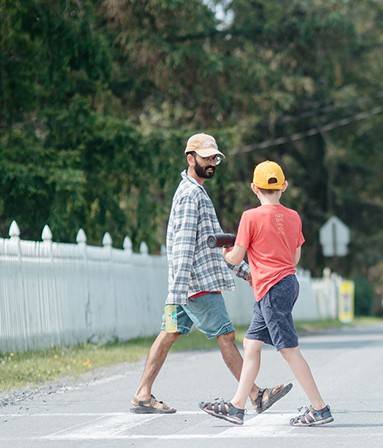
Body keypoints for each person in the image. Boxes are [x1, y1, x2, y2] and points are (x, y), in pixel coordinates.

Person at [130, 134, 291, 415]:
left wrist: (244, 272)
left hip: (186, 285)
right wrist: (180, 291)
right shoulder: (191, 194)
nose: (212, 163)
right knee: (226, 335)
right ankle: (255, 395)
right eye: (206, 157)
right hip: (196, 285)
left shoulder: (195, 191)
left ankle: (142, 393)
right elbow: (182, 246)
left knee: (168, 334)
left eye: (215, 157)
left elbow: (210, 245)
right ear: (190, 158)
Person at [199, 161, 333, 427]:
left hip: (271, 288)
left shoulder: (250, 217)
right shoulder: (294, 216)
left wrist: (226, 253)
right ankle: (237, 406)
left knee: (289, 350)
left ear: (253, 188)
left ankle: (320, 408)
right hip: (286, 283)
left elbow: (237, 256)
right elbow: (295, 255)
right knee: (251, 344)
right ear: (283, 186)